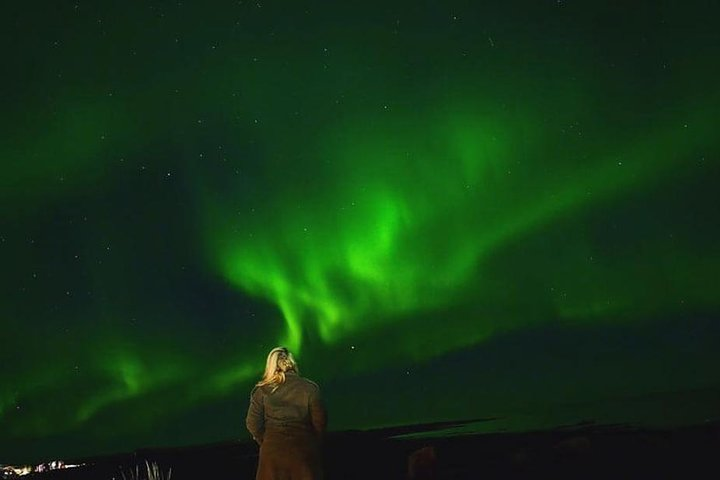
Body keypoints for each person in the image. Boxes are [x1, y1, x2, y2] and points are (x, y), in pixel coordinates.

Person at [246, 346, 327, 480]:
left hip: (272, 456)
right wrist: (310, 443)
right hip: (303, 453)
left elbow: (252, 423)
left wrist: (266, 441)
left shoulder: (262, 391)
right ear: (292, 363)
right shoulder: (310, 388)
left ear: (270, 366)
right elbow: (320, 422)